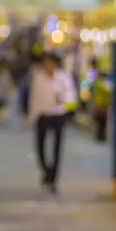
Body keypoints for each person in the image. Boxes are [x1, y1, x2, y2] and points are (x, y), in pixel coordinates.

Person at [29, 52, 77, 194]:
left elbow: (71, 95)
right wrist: (33, 114)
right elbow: (34, 96)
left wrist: (64, 102)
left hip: (58, 115)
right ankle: (46, 170)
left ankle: (53, 177)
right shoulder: (38, 77)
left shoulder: (63, 77)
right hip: (43, 115)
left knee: (57, 147)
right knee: (40, 147)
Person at [90, 72, 111, 141]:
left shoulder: (95, 84)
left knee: (99, 121)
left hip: (97, 105)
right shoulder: (104, 84)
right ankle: (102, 136)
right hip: (103, 105)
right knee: (102, 122)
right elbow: (108, 93)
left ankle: (99, 135)